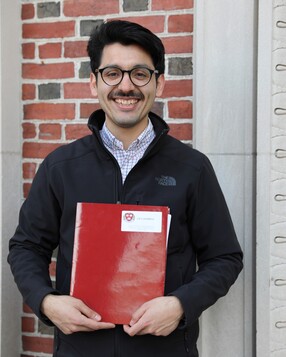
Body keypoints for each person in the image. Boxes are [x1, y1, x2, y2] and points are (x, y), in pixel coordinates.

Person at [8, 20, 243, 357]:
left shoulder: (192, 168)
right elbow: (26, 247)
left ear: (159, 83)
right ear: (94, 82)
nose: (126, 86)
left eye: (140, 74)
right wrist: (47, 302)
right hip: (80, 349)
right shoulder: (60, 167)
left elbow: (224, 257)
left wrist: (181, 305)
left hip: (166, 350)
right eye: (113, 73)